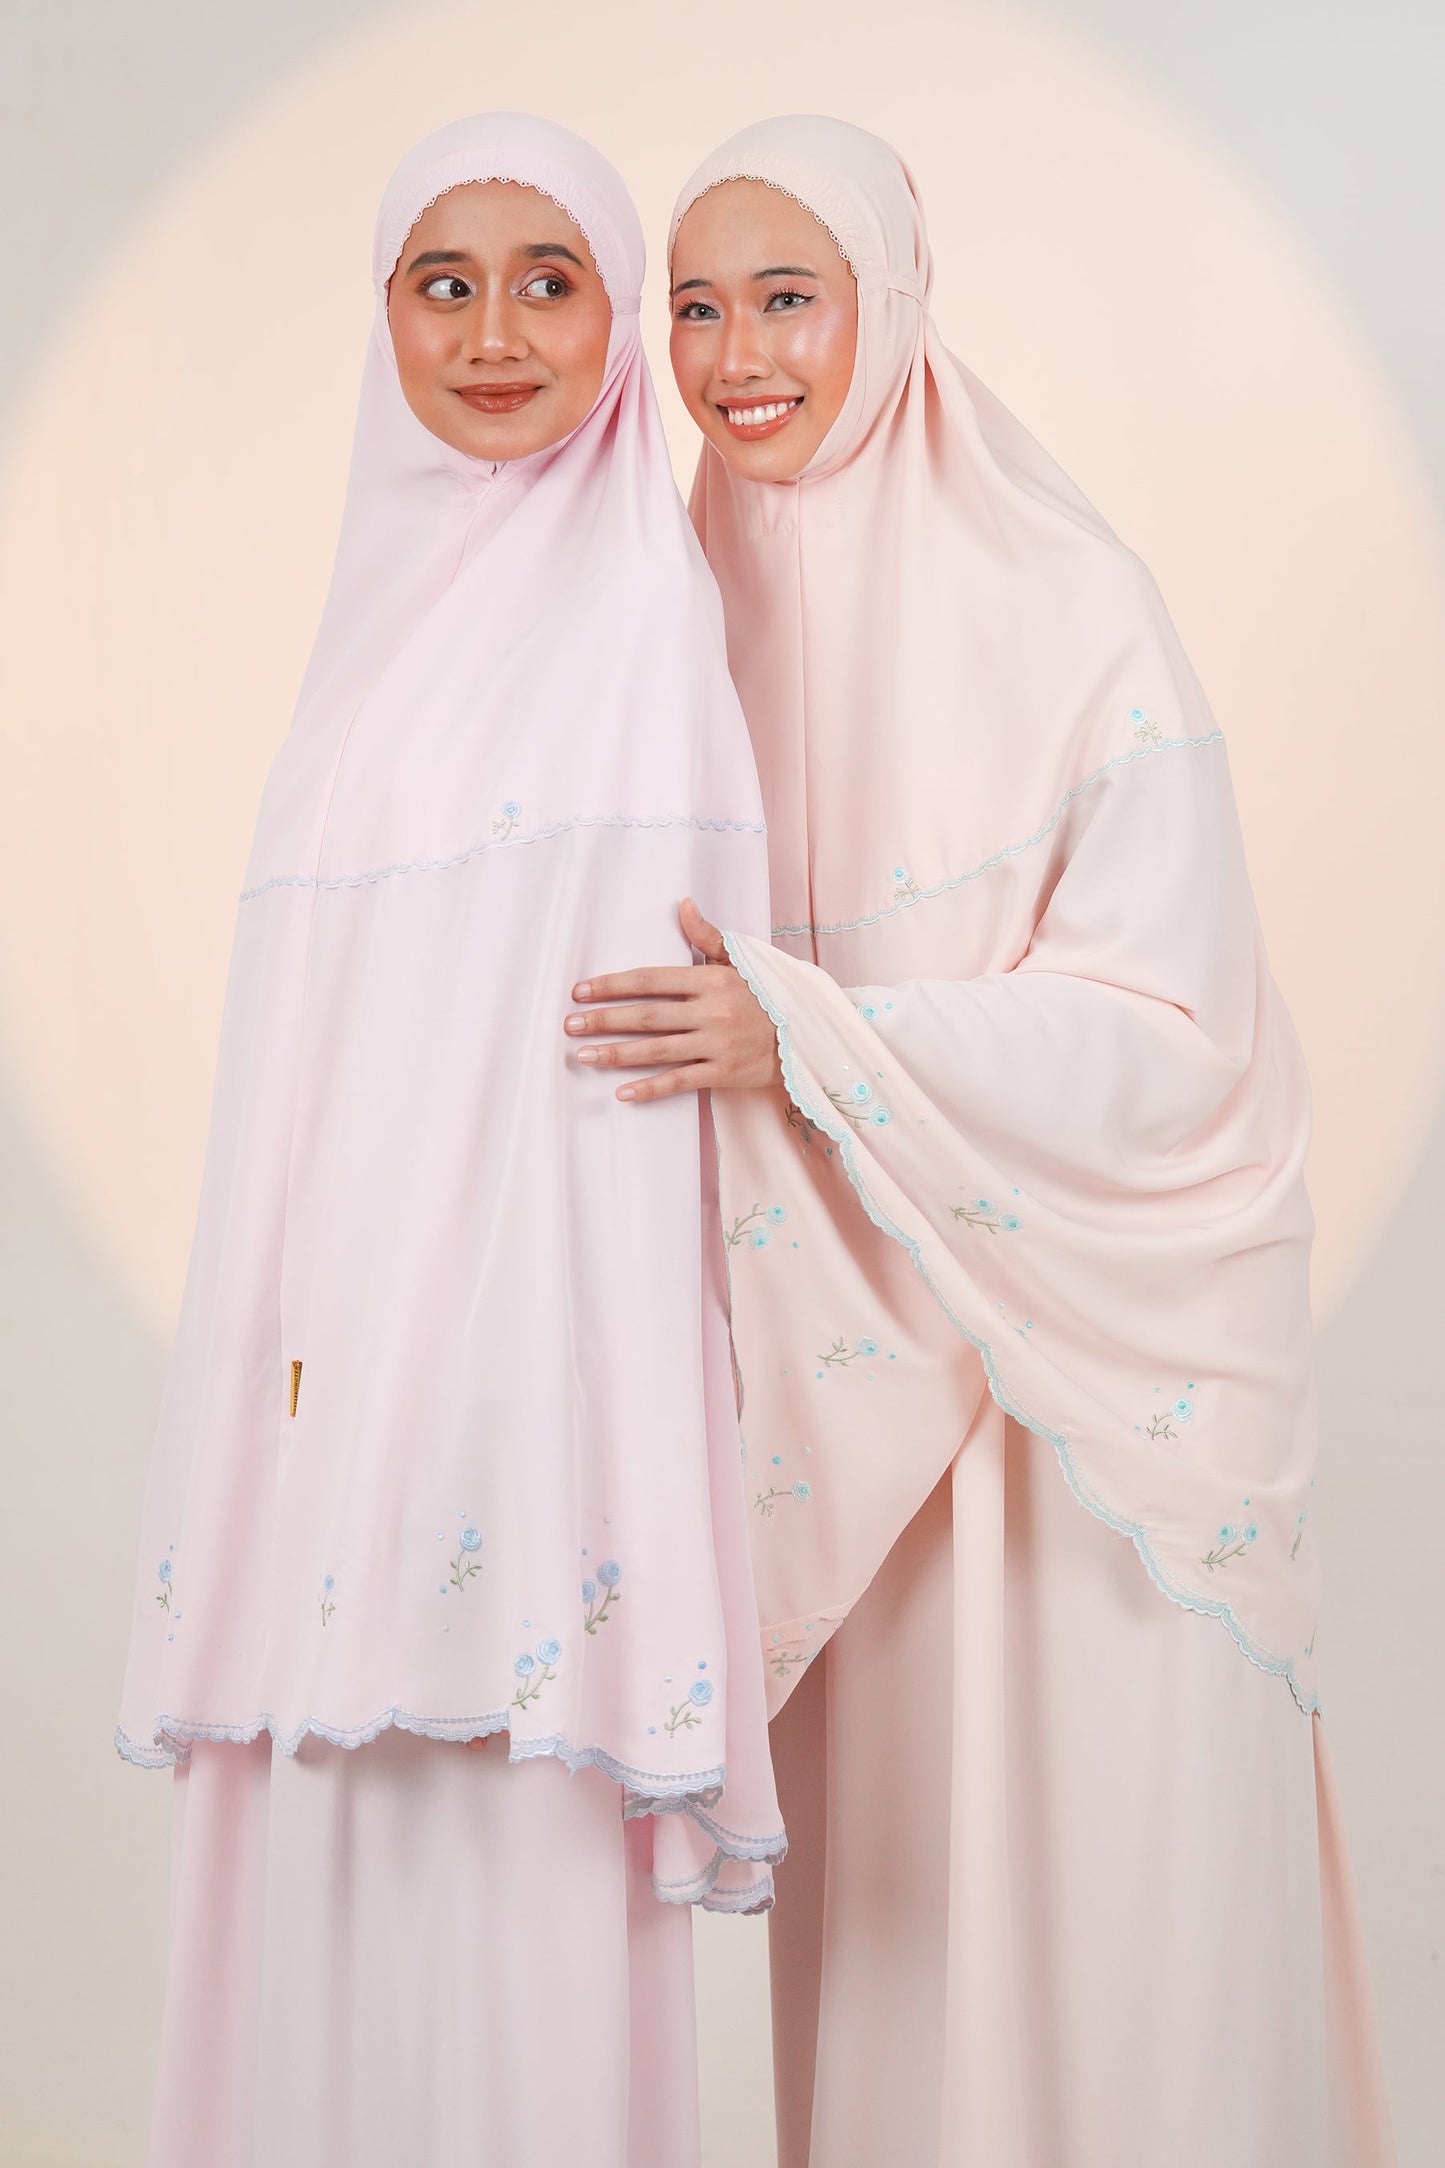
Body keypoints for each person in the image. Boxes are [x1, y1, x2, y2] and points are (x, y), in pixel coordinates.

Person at [566, 115, 1394, 2167]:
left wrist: (810, 1034)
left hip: (1085, 1385)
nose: (738, 356)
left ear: (892, 305)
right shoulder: (676, 617)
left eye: (788, 298)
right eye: (694, 308)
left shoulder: (1069, 600)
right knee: (906, 1938)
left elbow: (1173, 1037)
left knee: (1114, 1920)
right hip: (855, 1394)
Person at [116, 112, 783, 2168]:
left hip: (532, 1397)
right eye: (444, 283)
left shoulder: (645, 618)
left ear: (615, 321)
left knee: (515, 1927)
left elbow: (636, 1052)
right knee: (323, 1905)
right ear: (384, 317)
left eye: (549, 282)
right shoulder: (364, 646)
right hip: (331, 1406)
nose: (494, 334)